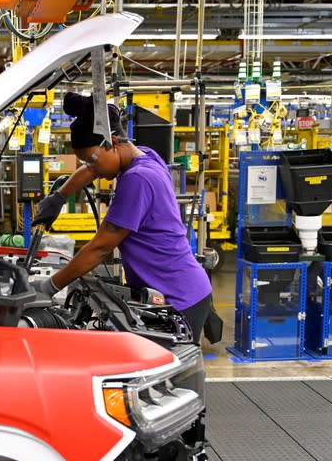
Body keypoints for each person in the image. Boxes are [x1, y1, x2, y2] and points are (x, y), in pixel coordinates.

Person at [31, 92, 212, 344]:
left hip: (178, 298)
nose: (91, 169)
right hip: (177, 290)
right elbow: (93, 167)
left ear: (113, 142)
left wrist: (50, 286)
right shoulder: (144, 155)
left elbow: (100, 248)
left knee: (162, 377)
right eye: (86, 163)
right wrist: (60, 196)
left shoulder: (137, 180)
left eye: (92, 160)